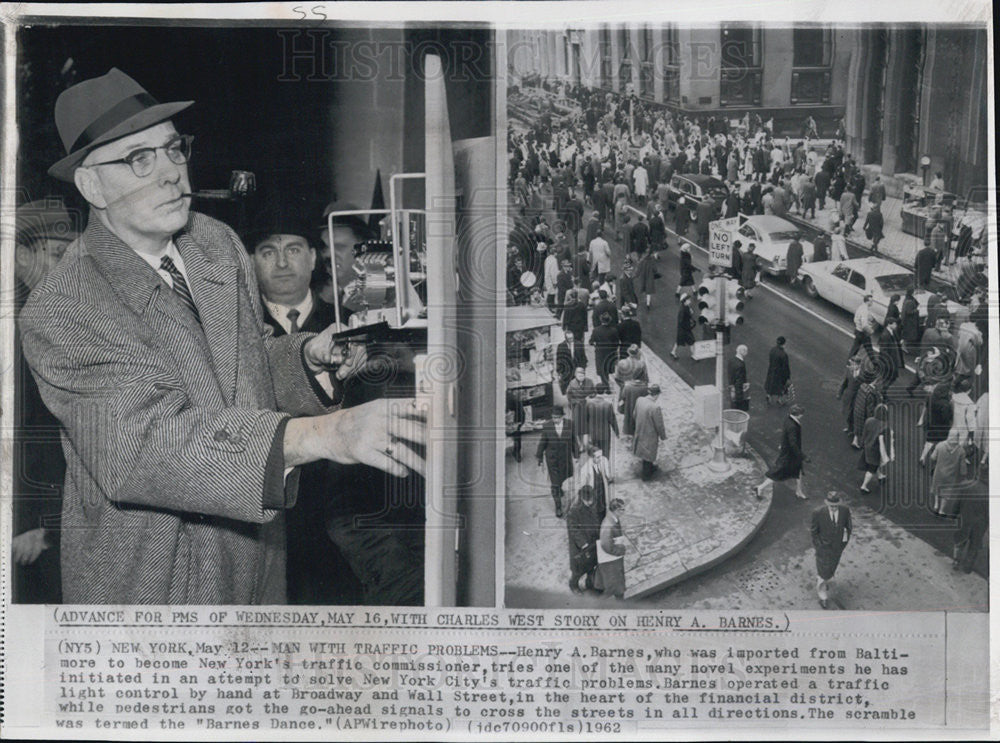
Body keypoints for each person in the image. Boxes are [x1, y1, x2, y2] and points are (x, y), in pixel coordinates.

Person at [21, 69, 425, 604]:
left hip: (256, 557)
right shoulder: (63, 307)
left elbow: (243, 364)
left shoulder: (214, 243)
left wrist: (306, 360)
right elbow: (146, 446)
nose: (171, 173)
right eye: (140, 159)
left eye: (173, 149)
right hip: (155, 581)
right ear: (91, 184)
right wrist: (324, 435)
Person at [12, 198, 80, 603]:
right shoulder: (14, 333)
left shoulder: (66, 322)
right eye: (58, 255)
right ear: (22, 257)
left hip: (54, 530)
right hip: (29, 532)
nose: (68, 269)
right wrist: (29, 522)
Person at [756, 404, 808, 500]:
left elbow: (785, 435)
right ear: (798, 415)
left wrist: (783, 444)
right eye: (801, 414)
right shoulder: (793, 426)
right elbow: (793, 443)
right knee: (778, 473)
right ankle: (760, 487)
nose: (802, 416)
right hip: (790, 454)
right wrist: (802, 456)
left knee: (798, 471)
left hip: (789, 452)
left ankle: (799, 491)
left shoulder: (788, 420)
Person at [810, 491, 852, 609]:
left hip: (837, 548)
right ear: (826, 503)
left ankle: (827, 578)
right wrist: (819, 546)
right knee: (822, 574)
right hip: (823, 549)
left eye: (836, 506)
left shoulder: (845, 510)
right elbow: (814, 532)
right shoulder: (818, 513)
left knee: (832, 567)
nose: (833, 508)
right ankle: (822, 596)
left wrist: (843, 544)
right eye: (831, 506)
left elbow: (848, 528)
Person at [536, 405, 578, 518]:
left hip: (565, 459)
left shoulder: (570, 424)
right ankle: (558, 506)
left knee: (565, 479)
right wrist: (539, 457)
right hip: (552, 460)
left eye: (557, 417)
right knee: (555, 483)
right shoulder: (547, 426)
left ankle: (561, 489)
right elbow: (542, 442)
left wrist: (576, 455)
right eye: (553, 417)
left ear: (562, 417)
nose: (555, 420)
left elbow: (574, 440)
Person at [566, 485, 601, 594]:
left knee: (592, 565)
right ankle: (574, 585)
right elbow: (573, 530)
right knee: (578, 570)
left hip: (592, 540)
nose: (591, 502)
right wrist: (583, 543)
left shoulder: (592, 504)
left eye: (591, 500)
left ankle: (589, 582)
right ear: (582, 498)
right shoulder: (573, 511)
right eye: (588, 501)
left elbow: (596, 518)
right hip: (580, 546)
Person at [929, 427, 967, 517]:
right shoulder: (961, 451)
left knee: (937, 488)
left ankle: (936, 505)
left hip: (939, 472)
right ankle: (942, 510)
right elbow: (963, 467)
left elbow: (933, 457)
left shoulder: (940, 445)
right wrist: (963, 474)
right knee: (946, 492)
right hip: (951, 475)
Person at [595, 498, 627, 600]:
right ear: (616, 510)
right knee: (615, 586)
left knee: (615, 585)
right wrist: (620, 550)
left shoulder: (613, 519)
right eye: (622, 509)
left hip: (613, 561)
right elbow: (606, 545)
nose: (624, 511)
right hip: (612, 562)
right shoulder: (608, 525)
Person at [632, 385, 666, 480]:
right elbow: (659, 424)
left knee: (643, 451)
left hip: (640, 429)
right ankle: (646, 475)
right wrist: (663, 436)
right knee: (648, 453)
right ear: (656, 395)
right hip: (650, 434)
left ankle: (650, 467)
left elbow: (634, 414)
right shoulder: (655, 407)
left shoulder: (640, 400)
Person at [859, 403, 892, 492]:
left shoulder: (869, 420)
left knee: (873, 465)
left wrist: (862, 443)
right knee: (871, 469)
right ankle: (864, 486)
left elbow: (864, 433)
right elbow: (886, 442)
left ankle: (880, 476)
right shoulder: (885, 426)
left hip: (867, 446)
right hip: (876, 451)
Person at [919, 382, 954, 466]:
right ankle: (937, 460)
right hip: (942, 427)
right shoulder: (945, 404)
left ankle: (922, 457)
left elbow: (927, 407)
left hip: (932, 423)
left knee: (929, 442)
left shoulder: (930, 397)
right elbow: (946, 417)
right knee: (943, 444)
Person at [566, 366, 598, 448]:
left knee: (589, 423)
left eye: (583, 375)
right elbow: (569, 396)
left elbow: (594, 392)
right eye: (579, 376)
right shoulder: (572, 383)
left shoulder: (590, 382)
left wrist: (590, 397)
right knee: (577, 425)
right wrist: (574, 402)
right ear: (575, 375)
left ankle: (590, 440)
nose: (581, 377)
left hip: (588, 406)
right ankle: (580, 444)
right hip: (577, 407)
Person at [590, 312, 620, 393]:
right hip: (610, 354)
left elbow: (591, 342)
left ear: (601, 320)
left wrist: (596, 344)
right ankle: (606, 386)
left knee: (602, 371)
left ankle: (606, 386)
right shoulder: (614, 330)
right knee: (607, 370)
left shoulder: (596, 330)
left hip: (600, 354)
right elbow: (617, 343)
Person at [585, 394, 620, 461]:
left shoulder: (588, 403)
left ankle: (595, 469)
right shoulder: (608, 405)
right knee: (605, 454)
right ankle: (604, 468)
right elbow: (612, 420)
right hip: (605, 435)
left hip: (593, 435)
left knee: (594, 453)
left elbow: (585, 420)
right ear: (604, 392)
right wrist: (617, 432)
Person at [877, 317, 905, 390]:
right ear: (889, 324)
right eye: (895, 324)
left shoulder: (892, 331)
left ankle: (882, 391)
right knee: (888, 378)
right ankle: (882, 392)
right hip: (888, 362)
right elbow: (883, 351)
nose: (896, 325)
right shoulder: (885, 335)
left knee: (891, 377)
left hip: (893, 359)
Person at [764, 336, 791, 405]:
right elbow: (785, 366)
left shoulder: (773, 350)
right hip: (780, 373)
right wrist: (788, 376)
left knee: (771, 383)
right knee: (781, 386)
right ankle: (779, 399)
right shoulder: (783, 354)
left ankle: (768, 395)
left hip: (772, 370)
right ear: (784, 344)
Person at [848, 294, 876, 360]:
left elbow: (855, 319)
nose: (872, 303)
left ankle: (849, 361)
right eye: (871, 301)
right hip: (863, 333)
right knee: (869, 350)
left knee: (855, 348)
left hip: (858, 331)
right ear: (867, 301)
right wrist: (871, 331)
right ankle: (876, 365)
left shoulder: (861, 307)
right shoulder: (865, 311)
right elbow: (864, 325)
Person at [670, 293, 697, 360]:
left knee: (679, 340)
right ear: (685, 301)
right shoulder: (683, 310)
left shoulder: (686, 307)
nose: (690, 301)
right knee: (691, 341)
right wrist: (688, 326)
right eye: (688, 300)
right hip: (685, 329)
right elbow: (681, 320)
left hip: (683, 329)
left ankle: (673, 352)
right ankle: (693, 355)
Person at [728, 344, 750, 412]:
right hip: (739, 389)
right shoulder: (740, 365)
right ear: (742, 351)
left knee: (733, 403)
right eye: (746, 351)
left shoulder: (732, 360)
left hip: (732, 386)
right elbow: (739, 379)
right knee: (739, 407)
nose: (747, 353)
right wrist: (740, 395)